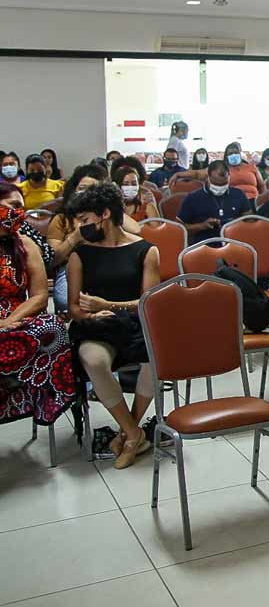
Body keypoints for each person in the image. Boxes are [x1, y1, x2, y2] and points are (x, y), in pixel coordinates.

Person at [66, 183, 160, 469]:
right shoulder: (80, 254)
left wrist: (108, 304)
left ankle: (129, 429)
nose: (82, 228)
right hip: (97, 327)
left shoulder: (146, 250)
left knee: (156, 357)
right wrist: (89, 315)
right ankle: (133, 432)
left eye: (85, 221)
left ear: (105, 214)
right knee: (93, 360)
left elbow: (148, 301)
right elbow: (73, 306)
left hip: (134, 323)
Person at [0, 202, 75, 428]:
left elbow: (40, 296)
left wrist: (7, 322)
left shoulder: (24, 245)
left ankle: (43, 402)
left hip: (17, 318)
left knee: (52, 326)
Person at [47, 165, 140, 312]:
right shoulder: (62, 219)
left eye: (93, 189)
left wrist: (110, 205)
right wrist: (76, 236)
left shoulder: (105, 214)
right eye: (82, 188)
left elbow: (136, 230)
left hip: (110, 259)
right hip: (71, 266)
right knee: (68, 300)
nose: (87, 193)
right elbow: (53, 258)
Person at [177, 160, 252, 245]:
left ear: (229, 177)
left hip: (235, 244)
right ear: (208, 177)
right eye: (216, 184)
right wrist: (201, 226)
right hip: (204, 247)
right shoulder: (193, 198)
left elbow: (249, 219)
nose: (220, 187)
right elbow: (179, 228)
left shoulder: (239, 194)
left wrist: (237, 223)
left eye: (224, 184)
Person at [0, 183, 54, 267]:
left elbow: (48, 255)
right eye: (15, 205)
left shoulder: (22, 227)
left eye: (22, 208)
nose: (19, 212)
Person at [224, 142, 265, 206]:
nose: (233, 155)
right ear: (226, 157)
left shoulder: (251, 167)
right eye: (230, 153)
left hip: (254, 199)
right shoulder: (224, 169)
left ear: (240, 154)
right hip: (234, 201)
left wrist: (262, 200)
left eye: (236, 152)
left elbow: (262, 185)